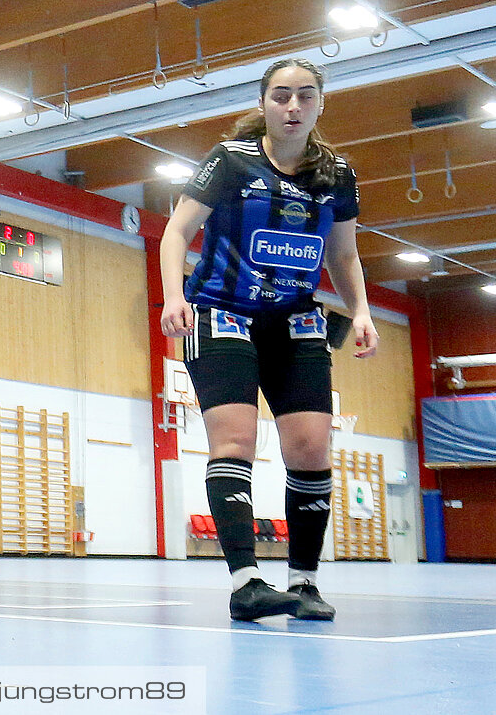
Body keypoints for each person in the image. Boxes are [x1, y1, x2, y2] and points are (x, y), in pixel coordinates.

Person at [159, 58, 377, 623]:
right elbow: (177, 230)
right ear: (263, 104)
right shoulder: (231, 161)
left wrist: (361, 313)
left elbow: (344, 252)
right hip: (220, 312)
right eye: (281, 96)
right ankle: (246, 583)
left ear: (320, 105)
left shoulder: (338, 174)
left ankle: (304, 582)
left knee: (309, 447)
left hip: (294, 320)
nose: (293, 106)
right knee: (233, 439)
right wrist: (173, 296)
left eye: (306, 96)